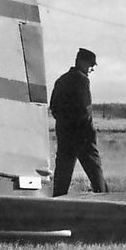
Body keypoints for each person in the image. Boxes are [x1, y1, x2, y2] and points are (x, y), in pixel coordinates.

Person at [50, 48, 107, 196]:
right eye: (90, 65)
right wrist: (89, 131)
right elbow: (85, 109)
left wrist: (65, 123)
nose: (91, 69)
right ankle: (105, 199)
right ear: (81, 62)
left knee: (63, 172)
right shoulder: (82, 80)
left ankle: (57, 201)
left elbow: (54, 107)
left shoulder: (61, 80)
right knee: (95, 171)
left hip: (64, 133)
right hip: (83, 135)